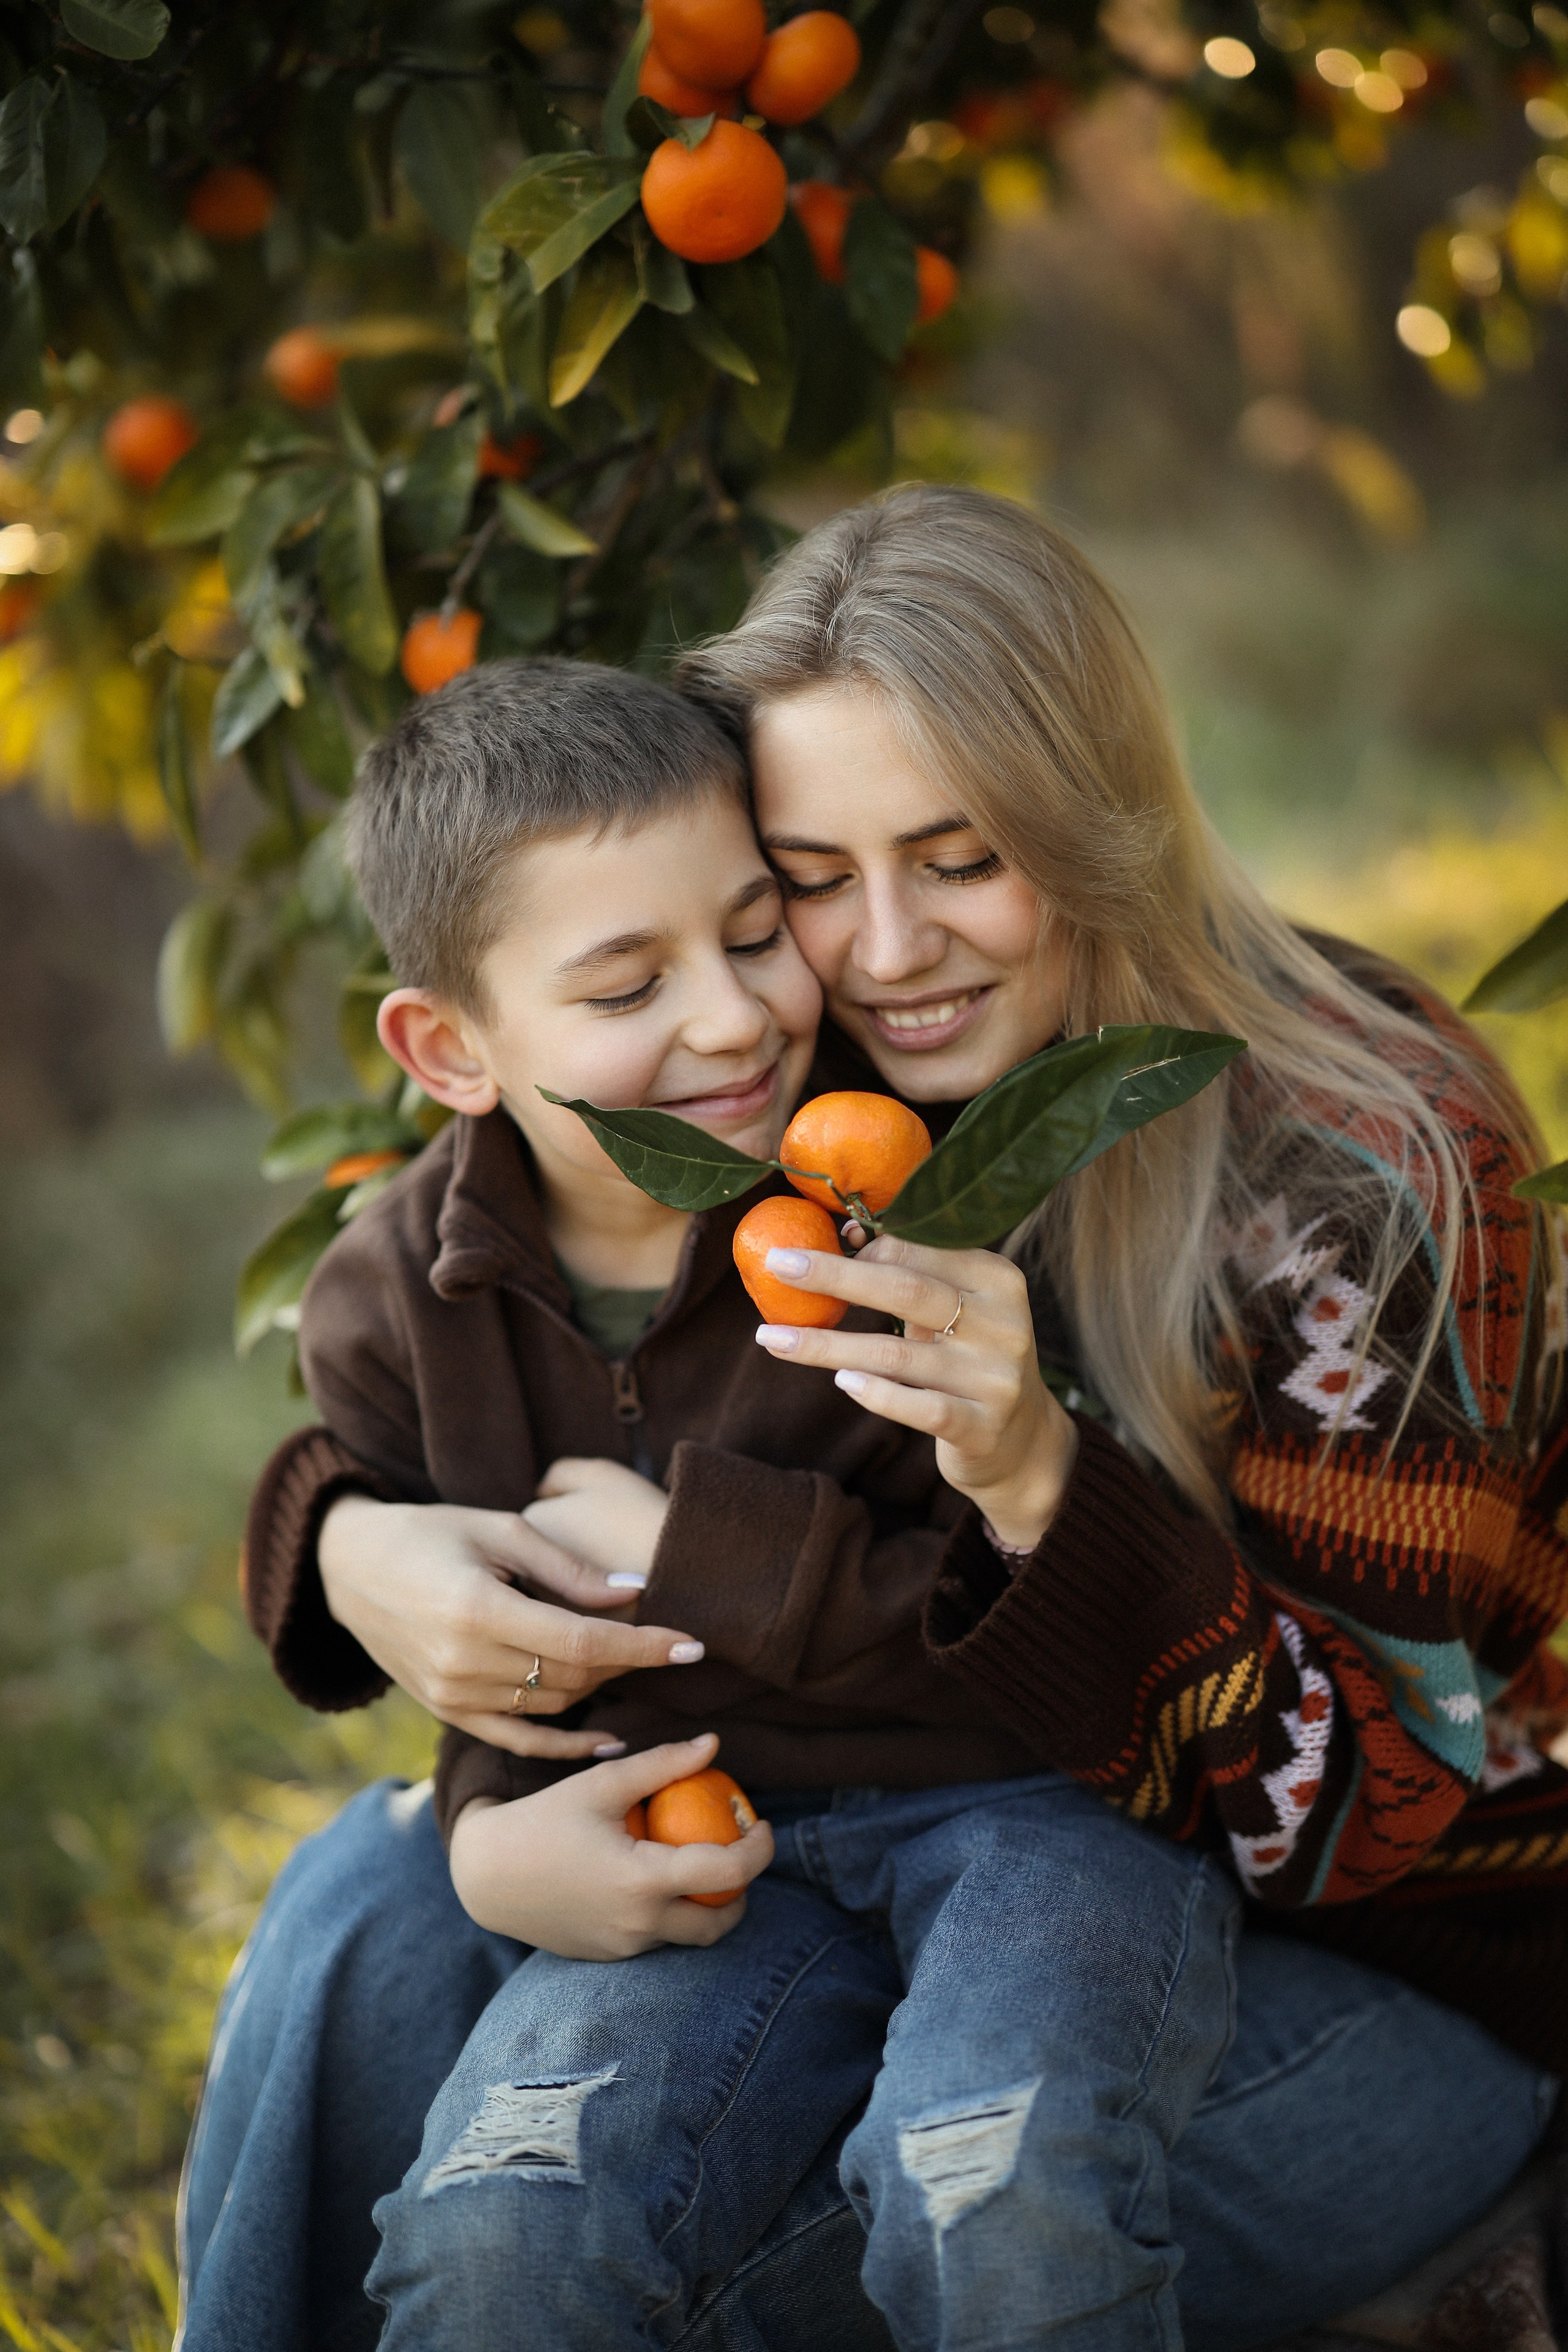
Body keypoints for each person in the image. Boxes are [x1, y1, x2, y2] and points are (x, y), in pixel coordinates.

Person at [179, 488, 1567, 2352]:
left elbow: (1366, 1822)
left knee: (795, 2238)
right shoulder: (811, 1073)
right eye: (813, 879)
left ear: (1098, 819)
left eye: (962, 857)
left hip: (1377, 1973)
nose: (887, 950)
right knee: (377, 1898)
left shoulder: (1365, 1172)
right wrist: (348, 1541)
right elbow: (506, 1291)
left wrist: (1043, 1483)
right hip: (881, 1858)